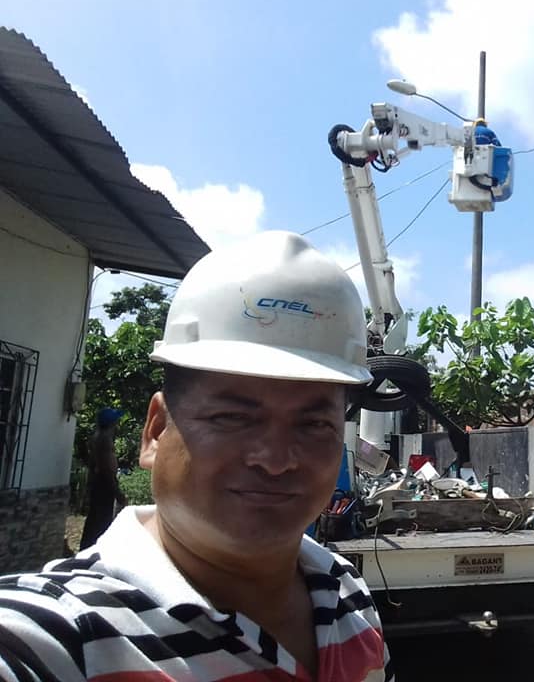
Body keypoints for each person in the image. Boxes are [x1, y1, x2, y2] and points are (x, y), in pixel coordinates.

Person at [0, 231, 393, 682]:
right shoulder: (58, 638)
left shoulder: (345, 593)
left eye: (313, 424)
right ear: (156, 432)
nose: (275, 459)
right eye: (233, 417)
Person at [78, 407, 126, 549]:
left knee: (94, 521)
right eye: (116, 421)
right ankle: (93, 551)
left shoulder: (97, 437)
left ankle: (87, 549)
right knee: (100, 522)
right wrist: (117, 492)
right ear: (112, 423)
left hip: (98, 483)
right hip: (104, 485)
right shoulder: (105, 440)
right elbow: (107, 469)